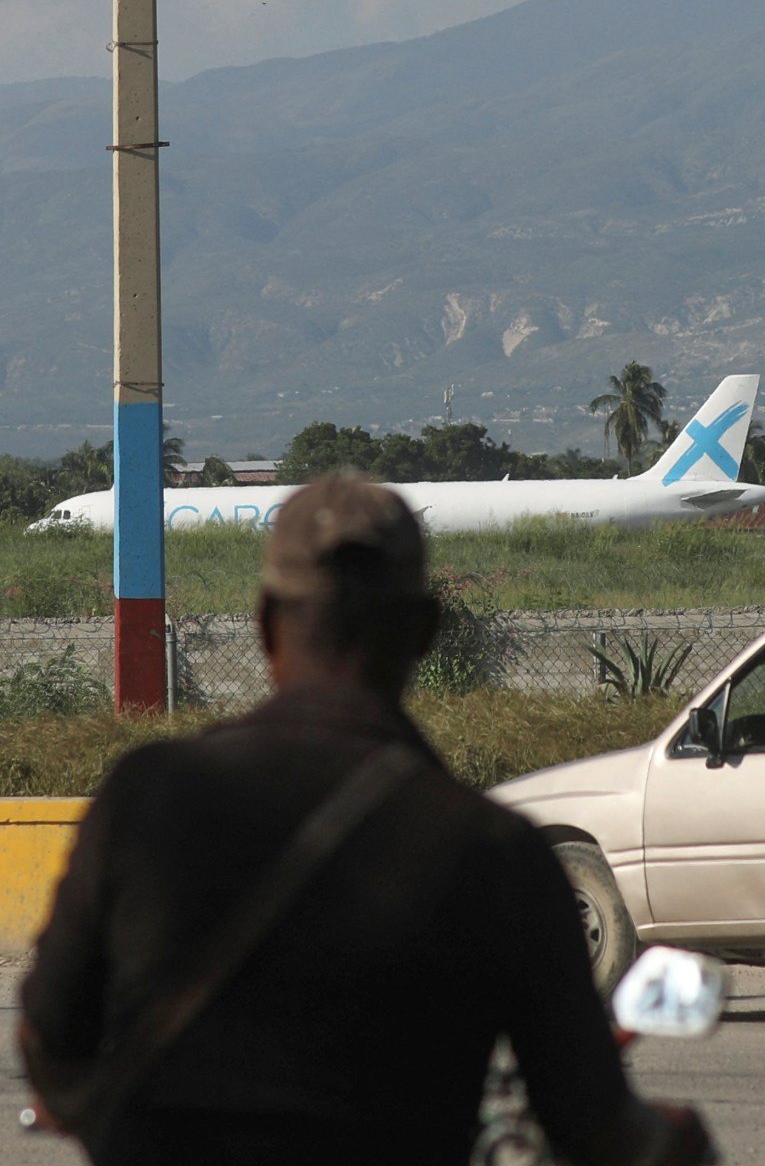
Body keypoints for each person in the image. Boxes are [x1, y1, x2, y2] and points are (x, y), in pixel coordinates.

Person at [18, 475, 712, 1166]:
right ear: (426, 632)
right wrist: (675, 1139)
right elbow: (588, 1120)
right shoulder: (493, 852)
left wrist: (116, 1123)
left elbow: (49, 1038)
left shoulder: (148, 799)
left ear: (263, 623)